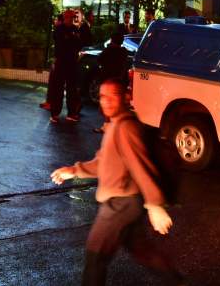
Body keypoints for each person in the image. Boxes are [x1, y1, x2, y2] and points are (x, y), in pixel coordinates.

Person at [52, 79, 181, 286]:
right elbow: (103, 163)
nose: (107, 101)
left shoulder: (125, 127)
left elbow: (140, 165)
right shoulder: (114, 125)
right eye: (103, 96)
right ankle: (176, 282)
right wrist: (74, 170)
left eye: (113, 96)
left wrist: (155, 204)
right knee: (142, 251)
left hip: (120, 204)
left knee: (95, 256)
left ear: (125, 97)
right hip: (129, 203)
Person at [48, 9, 87, 124]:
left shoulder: (74, 29)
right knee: (58, 89)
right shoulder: (59, 29)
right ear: (65, 17)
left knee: (71, 89)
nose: (72, 19)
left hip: (71, 62)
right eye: (70, 17)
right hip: (62, 62)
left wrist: (70, 38)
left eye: (72, 17)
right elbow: (62, 44)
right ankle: (55, 113)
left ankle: (71, 113)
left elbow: (79, 44)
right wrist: (72, 39)